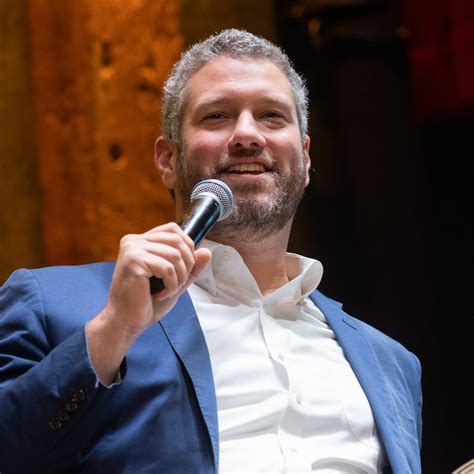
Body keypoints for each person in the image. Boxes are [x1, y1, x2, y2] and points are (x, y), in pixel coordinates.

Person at [0, 29, 422, 474]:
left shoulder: (391, 362)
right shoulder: (52, 305)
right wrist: (112, 331)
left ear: (305, 158)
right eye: (217, 116)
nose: (247, 135)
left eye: (271, 116)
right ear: (168, 160)